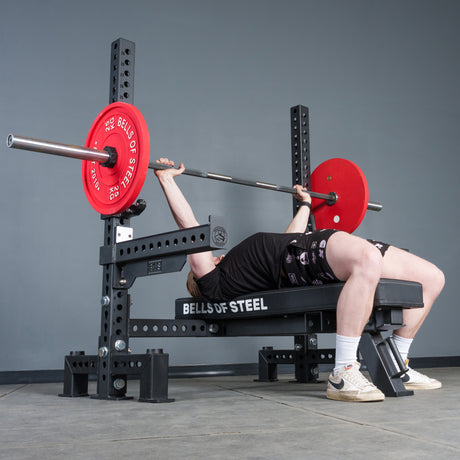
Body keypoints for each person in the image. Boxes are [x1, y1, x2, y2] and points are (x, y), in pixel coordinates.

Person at [154, 158, 445, 402]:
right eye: (206, 260)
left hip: (305, 245)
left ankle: (399, 364)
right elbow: (190, 228)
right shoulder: (214, 282)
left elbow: (289, 238)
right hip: (301, 257)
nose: (213, 255)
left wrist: (306, 204)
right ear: (199, 275)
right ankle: (343, 373)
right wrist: (167, 180)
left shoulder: (236, 266)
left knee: (432, 278)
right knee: (367, 259)